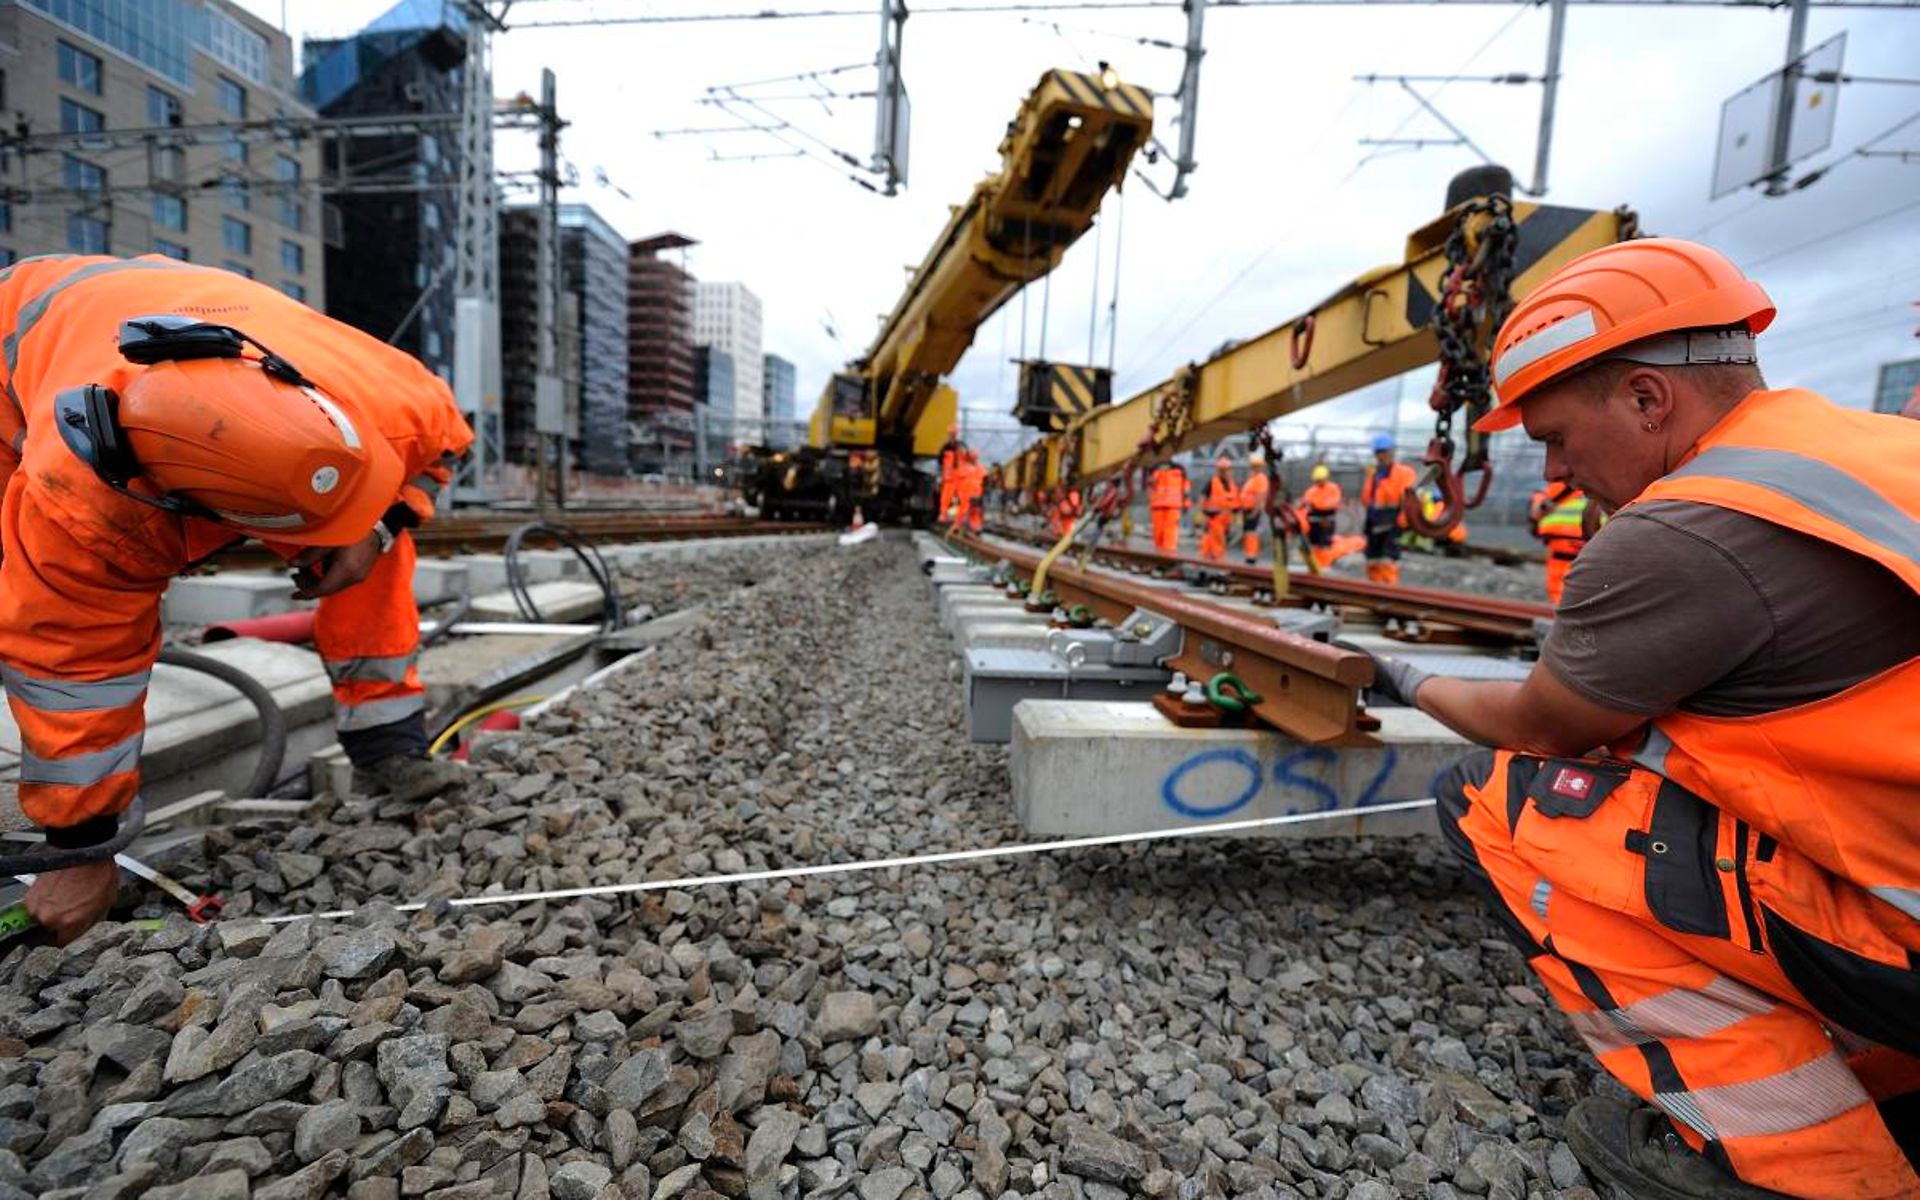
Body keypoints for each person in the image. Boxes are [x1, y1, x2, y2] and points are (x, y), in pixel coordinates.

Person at [1357, 238, 1920, 1199]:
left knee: (1507, 803)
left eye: (1556, 438)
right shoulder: (1874, 451)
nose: (1556, 472)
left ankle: (1809, 1166)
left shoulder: (1686, 526)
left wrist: (1410, 680)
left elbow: (1541, 726)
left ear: (1649, 398)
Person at [0, 254, 474, 945]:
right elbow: (73, 663)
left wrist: (378, 526)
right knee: (22, 590)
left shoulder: (392, 400)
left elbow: (449, 444)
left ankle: (387, 740)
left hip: (173, 312)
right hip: (15, 351)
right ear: (196, 514)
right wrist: (81, 847)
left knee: (374, 547)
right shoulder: (86, 510)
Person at [1359, 434, 1416, 584]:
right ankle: (1373, 590)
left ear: (1392, 452)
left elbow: (1407, 499)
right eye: (1378, 452)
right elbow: (1367, 500)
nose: (1381, 456)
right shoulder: (1374, 474)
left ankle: (1388, 590)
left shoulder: (1404, 473)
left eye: (1384, 452)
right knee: (1372, 560)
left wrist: (1403, 519)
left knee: (1388, 560)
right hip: (1374, 522)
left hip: (1393, 522)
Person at [1529, 480, 1595, 605]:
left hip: (1562, 538)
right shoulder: (1592, 485)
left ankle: (1563, 610)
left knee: (1560, 585)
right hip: (1588, 536)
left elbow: (1537, 510)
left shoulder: (1558, 484)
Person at [1298, 464, 1342, 570]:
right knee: (1313, 544)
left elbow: (1332, 503)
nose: (1318, 482)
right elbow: (1305, 504)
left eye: (1320, 480)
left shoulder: (1333, 488)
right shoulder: (1311, 490)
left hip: (1327, 521)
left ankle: (1325, 565)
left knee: (1325, 544)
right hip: (1312, 522)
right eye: (1317, 480)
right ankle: (1315, 565)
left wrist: (1315, 504)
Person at [1198, 455, 1239, 562]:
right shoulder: (1212, 482)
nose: (1224, 472)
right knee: (1216, 540)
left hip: (1226, 520)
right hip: (1214, 517)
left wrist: (1235, 521)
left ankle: (1210, 559)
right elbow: (1202, 498)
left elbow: (1235, 504)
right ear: (1218, 470)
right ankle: (1216, 560)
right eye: (1221, 470)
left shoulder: (1232, 485)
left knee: (1216, 540)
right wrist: (1201, 515)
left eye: (1226, 470)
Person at [1148, 461, 1189, 554]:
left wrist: (1186, 504)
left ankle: (1168, 555)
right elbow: (1150, 485)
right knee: (1158, 532)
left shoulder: (1179, 470)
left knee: (1170, 531)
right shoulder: (1154, 469)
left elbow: (1185, 489)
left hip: (1172, 506)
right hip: (1158, 506)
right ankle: (1159, 555)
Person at [1239, 453, 1270, 563]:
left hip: (1253, 509)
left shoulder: (1260, 478)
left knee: (1252, 533)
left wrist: (1255, 511)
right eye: (1253, 466)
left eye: (1256, 466)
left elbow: (1260, 495)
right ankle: (1249, 554)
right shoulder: (1253, 478)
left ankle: (1251, 556)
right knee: (1248, 532)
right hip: (1247, 509)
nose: (1253, 468)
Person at [937, 424, 967, 525]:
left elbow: (967, 459)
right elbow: (940, 461)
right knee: (946, 498)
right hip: (949, 477)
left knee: (961, 497)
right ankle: (944, 515)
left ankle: (960, 516)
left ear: (956, 434)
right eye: (950, 434)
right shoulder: (945, 447)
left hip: (960, 477)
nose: (952, 436)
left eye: (953, 434)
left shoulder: (961, 446)